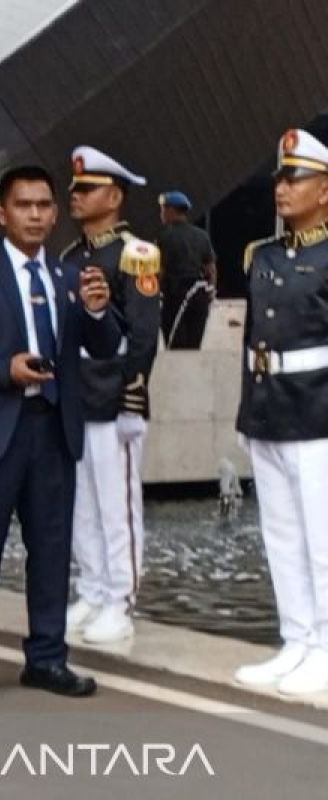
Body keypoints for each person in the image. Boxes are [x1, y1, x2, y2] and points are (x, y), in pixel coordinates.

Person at [0, 165, 120, 705]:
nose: (35, 215)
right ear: (2, 213)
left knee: (53, 551)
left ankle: (47, 658)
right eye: (24, 205)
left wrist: (100, 312)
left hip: (51, 429)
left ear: (55, 214)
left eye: (43, 206)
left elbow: (104, 347)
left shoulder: (67, 278)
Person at [233, 128, 328, 696]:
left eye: (295, 178)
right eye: (279, 178)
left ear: (325, 190)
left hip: (318, 413)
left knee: (323, 538)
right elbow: (253, 343)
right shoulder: (262, 256)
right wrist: (248, 414)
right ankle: (298, 639)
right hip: (269, 412)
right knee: (283, 535)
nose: (282, 188)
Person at [60, 146, 161, 645]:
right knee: (81, 504)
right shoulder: (71, 257)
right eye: (75, 189)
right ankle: (93, 586)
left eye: (87, 189)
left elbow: (143, 337)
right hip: (77, 394)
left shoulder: (134, 254)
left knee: (117, 505)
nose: (75, 197)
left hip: (113, 393)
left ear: (115, 196)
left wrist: (131, 397)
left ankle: (120, 598)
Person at [157, 190, 217, 349]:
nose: (161, 214)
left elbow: (160, 271)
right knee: (193, 346)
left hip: (174, 297)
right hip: (199, 296)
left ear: (171, 210)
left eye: (163, 209)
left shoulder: (164, 237)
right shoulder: (202, 235)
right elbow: (210, 269)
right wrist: (210, 291)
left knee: (175, 346)